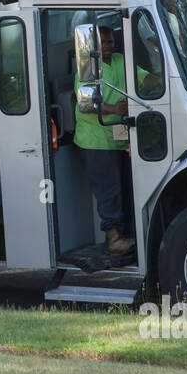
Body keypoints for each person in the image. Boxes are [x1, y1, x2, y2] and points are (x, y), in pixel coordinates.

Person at [74, 24, 135, 256]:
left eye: (110, 42)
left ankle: (124, 234)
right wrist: (114, 109)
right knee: (108, 192)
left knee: (121, 189)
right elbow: (85, 103)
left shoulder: (119, 60)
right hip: (96, 140)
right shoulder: (87, 66)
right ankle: (114, 241)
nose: (108, 46)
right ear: (94, 46)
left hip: (118, 136)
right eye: (104, 43)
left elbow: (146, 78)